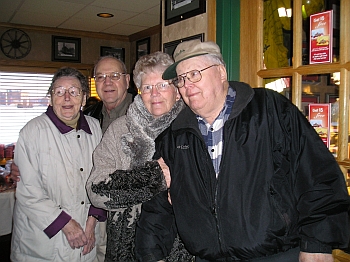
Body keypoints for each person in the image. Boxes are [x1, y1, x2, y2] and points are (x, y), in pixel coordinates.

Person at [135, 39, 350, 262]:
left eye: (195, 74)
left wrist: (318, 243)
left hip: (276, 255)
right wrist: (151, 255)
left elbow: (317, 175)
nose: (187, 85)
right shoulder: (173, 137)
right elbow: (157, 206)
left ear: (220, 72)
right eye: (180, 79)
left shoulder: (269, 110)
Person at [11, 55, 134, 262]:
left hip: (94, 236)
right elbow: (29, 192)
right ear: (50, 98)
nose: (67, 98)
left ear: (84, 98)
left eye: (74, 92)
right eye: (59, 92)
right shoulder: (32, 132)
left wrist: (92, 220)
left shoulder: (94, 127)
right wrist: (67, 225)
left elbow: (100, 177)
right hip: (43, 246)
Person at [86, 51, 192, 261]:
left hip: (179, 250)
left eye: (162, 85)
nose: (155, 93)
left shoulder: (191, 129)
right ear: (139, 92)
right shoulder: (120, 130)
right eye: (147, 87)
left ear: (177, 91)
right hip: (125, 249)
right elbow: (96, 190)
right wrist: (154, 177)